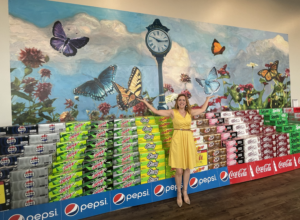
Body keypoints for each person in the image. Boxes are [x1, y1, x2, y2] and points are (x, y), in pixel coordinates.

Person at [138, 94, 214, 207]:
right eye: (180, 100)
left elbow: (203, 109)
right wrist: (145, 102)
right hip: (177, 141)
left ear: (186, 102)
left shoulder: (190, 112)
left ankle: (185, 192)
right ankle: (179, 192)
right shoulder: (172, 112)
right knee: (179, 170)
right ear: (177, 102)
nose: (182, 102)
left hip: (188, 140)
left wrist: (207, 99)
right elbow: (156, 111)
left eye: (184, 100)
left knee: (187, 167)